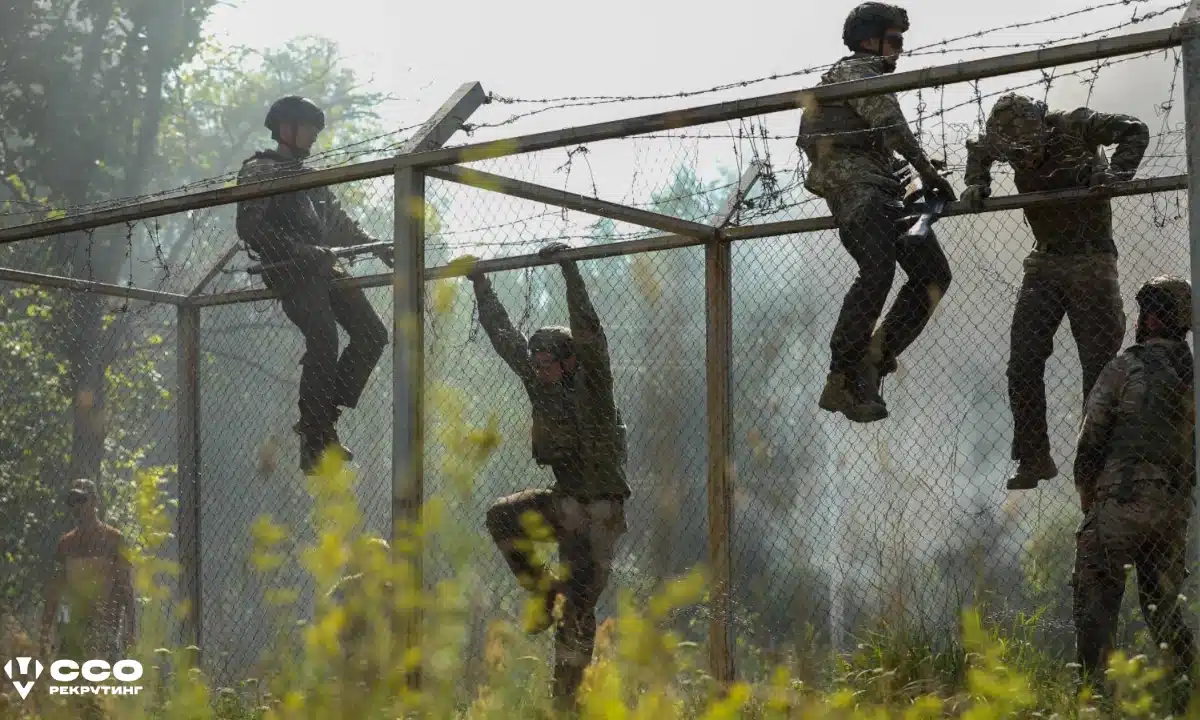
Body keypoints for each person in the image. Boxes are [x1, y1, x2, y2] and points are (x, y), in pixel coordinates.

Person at [464, 242, 629, 711]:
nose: (538, 368)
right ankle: (540, 593)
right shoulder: (540, 382)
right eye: (535, 362)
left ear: (570, 361)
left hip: (599, 512)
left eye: (547, 361)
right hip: (565, 501)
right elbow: (504, 338)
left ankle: (565, 703)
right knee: (502, 517)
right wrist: (481, 284)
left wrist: (569, 271)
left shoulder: (593, 382)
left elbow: (590, 332)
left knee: (577, 609)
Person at [962, 93, 1149, 490]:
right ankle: (1033, 457)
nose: (1025, 161)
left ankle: (1097, 463)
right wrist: (977, 184)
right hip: (1044, 261)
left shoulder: (1075, 124)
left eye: (1031, 152)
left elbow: (1134, 129)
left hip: (1092, 260)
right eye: (1017, 157)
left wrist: (1116, 175)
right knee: (1023, 363)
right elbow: (978, 150)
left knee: (1097, 369)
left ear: (1043, 127)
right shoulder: (1004, 138)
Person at [796, 2, 957, 423]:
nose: (899, 51)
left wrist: (918, 175)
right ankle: (844, 373)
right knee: (877, 268)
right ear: (870, 40)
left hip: (885, 186)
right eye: (895, 41)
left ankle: (872, 359)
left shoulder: (866, 75)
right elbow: (889, 123)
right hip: (857, 185)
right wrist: (924, 169)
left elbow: (883, 136)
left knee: (932, 275)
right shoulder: (857, 70)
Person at [235, 95, 392, 474]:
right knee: (323, 337)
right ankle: (316, 436)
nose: (314, 137)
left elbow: (338, 221)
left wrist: (376, 245)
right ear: (287, 128)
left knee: (372, 333)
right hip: (290, 269)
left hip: (324, 268)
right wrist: (300, 250)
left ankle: (320, 423)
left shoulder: (310, 176)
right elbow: (250, 227)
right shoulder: (260, 169)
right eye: (309, 129)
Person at [1071, 275, 1194, 714]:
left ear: (1153, 317)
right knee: (1164, 610)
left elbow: (1091, 438)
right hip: (1174, 510)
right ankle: (1186, 698)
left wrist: (1087, 495)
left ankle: (1093, 701)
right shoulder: (1192, 374)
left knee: (1095, 603)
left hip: (1119, 504)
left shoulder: (1127, 366)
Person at [39, 479, 136, 664]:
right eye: (72, 501)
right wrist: (45, 633)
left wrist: (131, 630)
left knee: (104, 684)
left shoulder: (114, 539)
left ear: (95, 502)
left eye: (82, 500)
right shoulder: (66, 543)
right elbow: (55, 591)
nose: (77, 506)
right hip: (72, 627)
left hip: (105, 626)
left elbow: (126, 588)